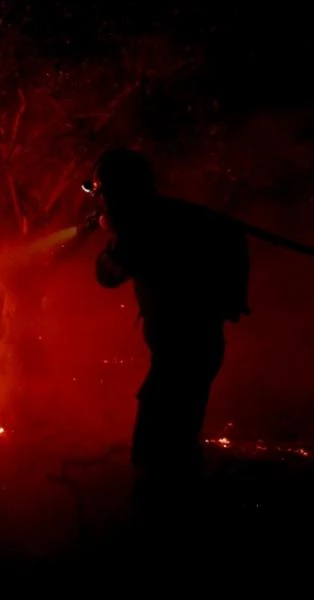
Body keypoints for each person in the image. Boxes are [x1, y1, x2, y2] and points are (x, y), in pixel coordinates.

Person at [87, 148, 251, 510]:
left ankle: (157, 521)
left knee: (155, 446)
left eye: (103, 193)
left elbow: (109, 275)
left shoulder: (142, 226)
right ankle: (178, 511)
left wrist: (112, 234)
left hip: (179, 354)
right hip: (201, 347)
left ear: (116, 190)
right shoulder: (181, 216)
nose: (101, 201)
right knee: (180, 437)